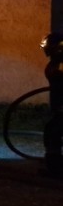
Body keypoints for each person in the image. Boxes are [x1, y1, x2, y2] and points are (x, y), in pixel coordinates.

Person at [40, 32, 63, 178]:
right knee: (52, 131)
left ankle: (55, 169)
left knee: (54, 132)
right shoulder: (55, 64)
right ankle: (54, 166)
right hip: (59, 107)